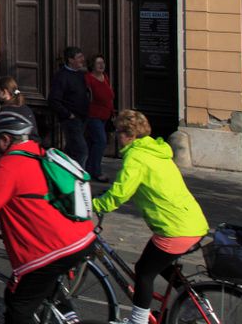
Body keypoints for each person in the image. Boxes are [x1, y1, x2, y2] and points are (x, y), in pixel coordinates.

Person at [0, 111, 95, 324]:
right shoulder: (39, 152)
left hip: (53, 247)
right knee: (44, 290)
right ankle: (70, 318)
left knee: (17, 307)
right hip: (81, 236)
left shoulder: (10, 164)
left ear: (5, 139)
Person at [93, 109, 208, 324]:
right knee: (161, 265)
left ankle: (138, 321)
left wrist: (93, 205)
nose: (116, 137)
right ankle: (194, 303)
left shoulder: (136, 157)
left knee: (144, 271)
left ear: (128, 134)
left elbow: (119, 194)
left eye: (117, 132)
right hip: (193, 222)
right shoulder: (155, 150)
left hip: (175, 229)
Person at [48, 46, 89, 168]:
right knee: (81, 151)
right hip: (71, 120)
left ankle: (62, 173)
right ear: (71, 60)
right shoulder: (62, 77)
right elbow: (53, 100)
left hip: (83, 118)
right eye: (79, 57)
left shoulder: (81, 75)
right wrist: (68, 114)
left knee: (71, 150)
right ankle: (78, 176)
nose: (82, 59)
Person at [84, 55, 114, 182]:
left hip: (105, 116)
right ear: (92, 65)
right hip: (93, 116)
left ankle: (88, 169)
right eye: (98, 63)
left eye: (103, 63)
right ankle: (96, 171)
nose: (101, 66)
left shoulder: (105, 77)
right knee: (100, 142)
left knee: (93, 143)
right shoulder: (88, 78)